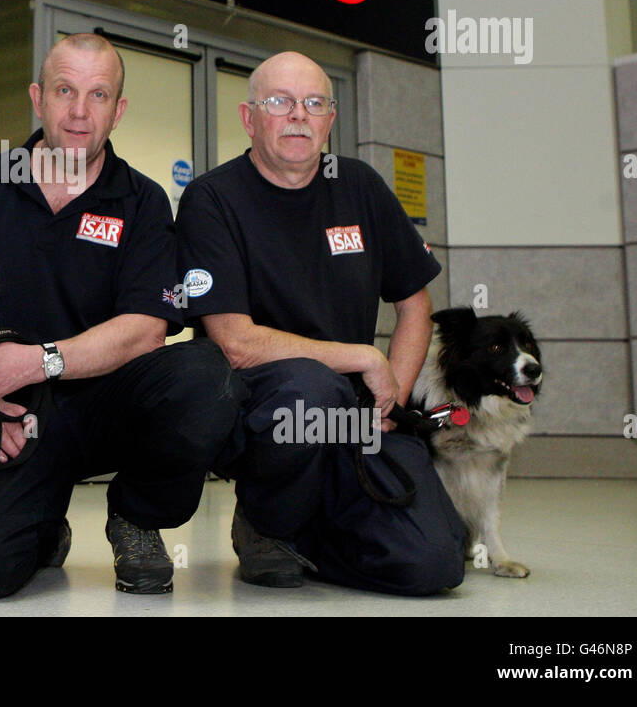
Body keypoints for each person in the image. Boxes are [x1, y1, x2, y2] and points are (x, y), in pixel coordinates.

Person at [0, 33, 235, 598]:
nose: (78, 111)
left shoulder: (142, 201)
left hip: (104, 404)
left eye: (97, 95)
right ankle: (43, 528)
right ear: (37, 97)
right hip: (6, 409)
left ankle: (137, 516)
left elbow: (145, 329)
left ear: (117, 111)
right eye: (65, 90)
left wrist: (37, 362)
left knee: (206, 374)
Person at [175, 50, 466, 595]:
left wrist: (392, 403)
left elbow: (415, 305)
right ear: (248, 117)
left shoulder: (360, 187)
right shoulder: (213, 199)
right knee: (310, 385)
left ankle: (306, 532)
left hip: (357, 418)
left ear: (331, 119)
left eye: (313, 103)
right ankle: (266, 520)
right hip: (267, 412)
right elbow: (235, 343)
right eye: (280, 103)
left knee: (437, 566)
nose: (298, 116)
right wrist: (363, 357)